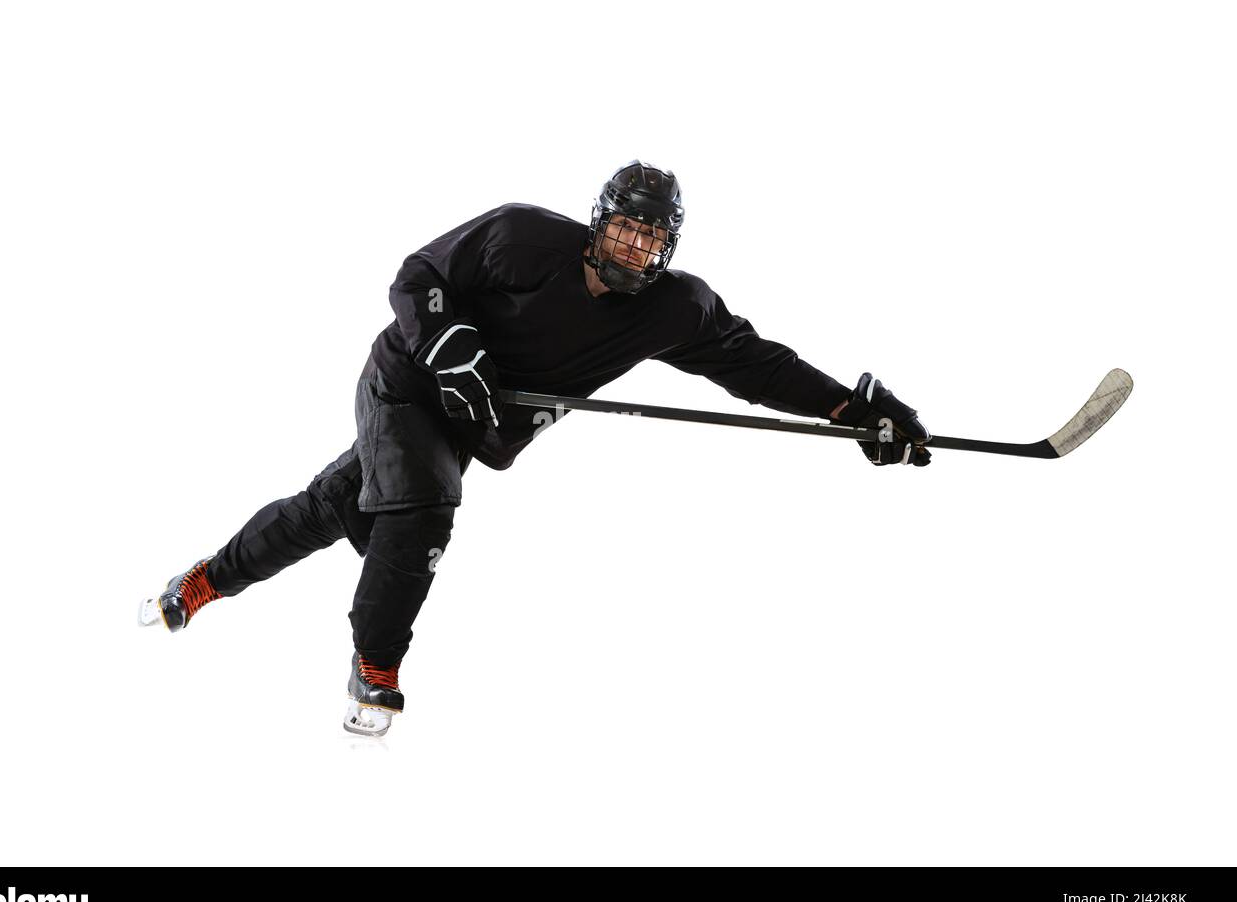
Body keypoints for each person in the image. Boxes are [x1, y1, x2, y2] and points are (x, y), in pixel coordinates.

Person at [137, 161, 932, 736]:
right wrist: (449, 342)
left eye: (651, 238)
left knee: (326, 510)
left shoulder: (674, 310)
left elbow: (754, 363)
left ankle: (202, 580)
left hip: (474, 424)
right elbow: (417, 276)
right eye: (625, 227)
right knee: (420, 511)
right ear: (598, 221)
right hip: (409, 382)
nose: (634, 247)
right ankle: (374, 669)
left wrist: (850, 409)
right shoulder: (520, 237)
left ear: (669, 246)